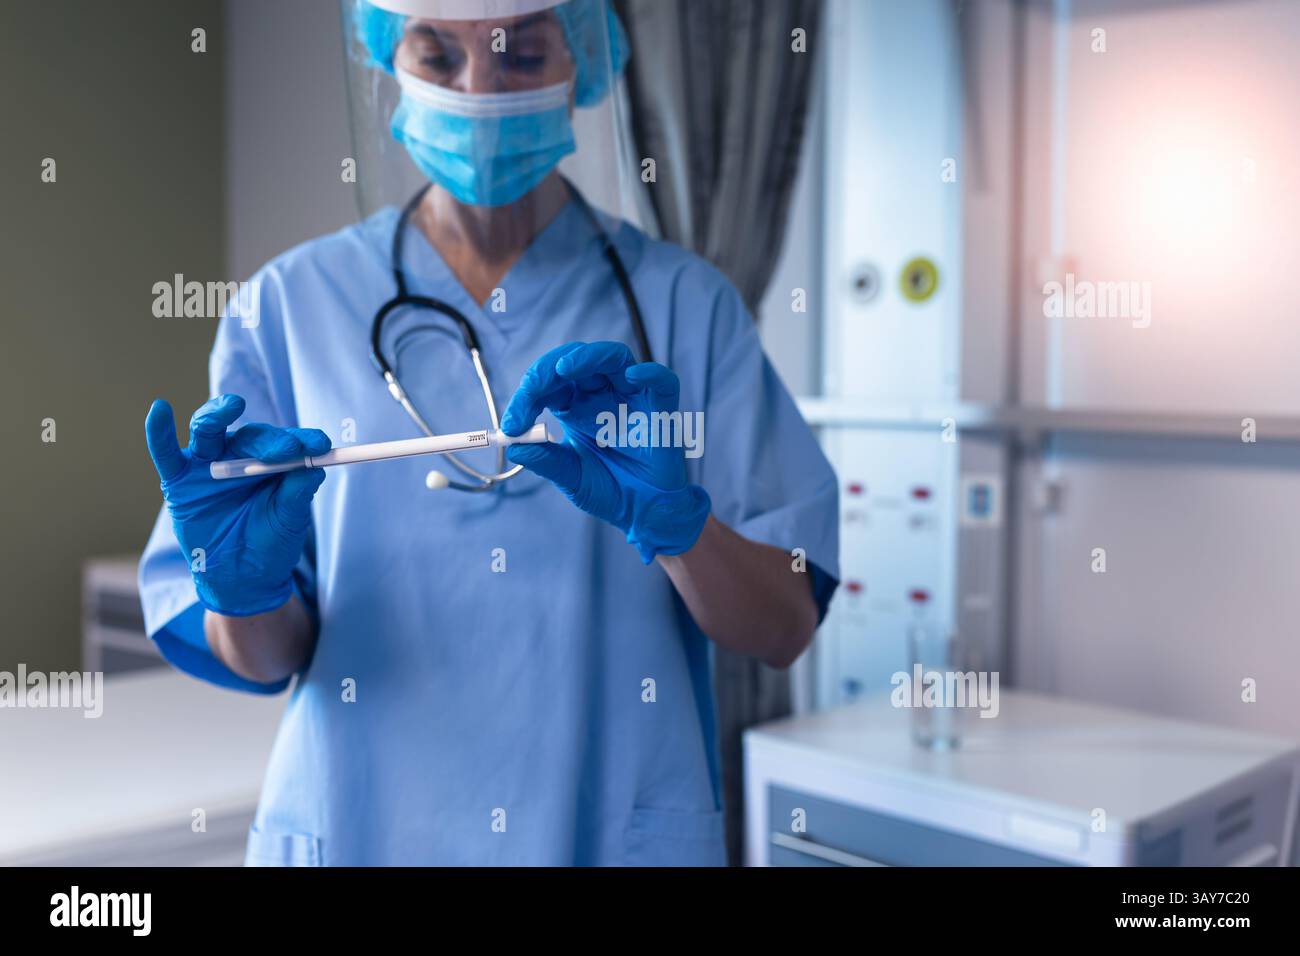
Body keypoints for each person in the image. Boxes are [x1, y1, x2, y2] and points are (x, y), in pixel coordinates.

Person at [139, 0, 838, 866]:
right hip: (365, 828)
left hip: (609, 832)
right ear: (390, 59)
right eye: (438, 57)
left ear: (583, 58)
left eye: (520, 54)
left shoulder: (685, 308)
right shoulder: (286, 308)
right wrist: (242, 594)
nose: (479, 89)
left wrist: (683, 532)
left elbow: (783, 626)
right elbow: (264, 658)